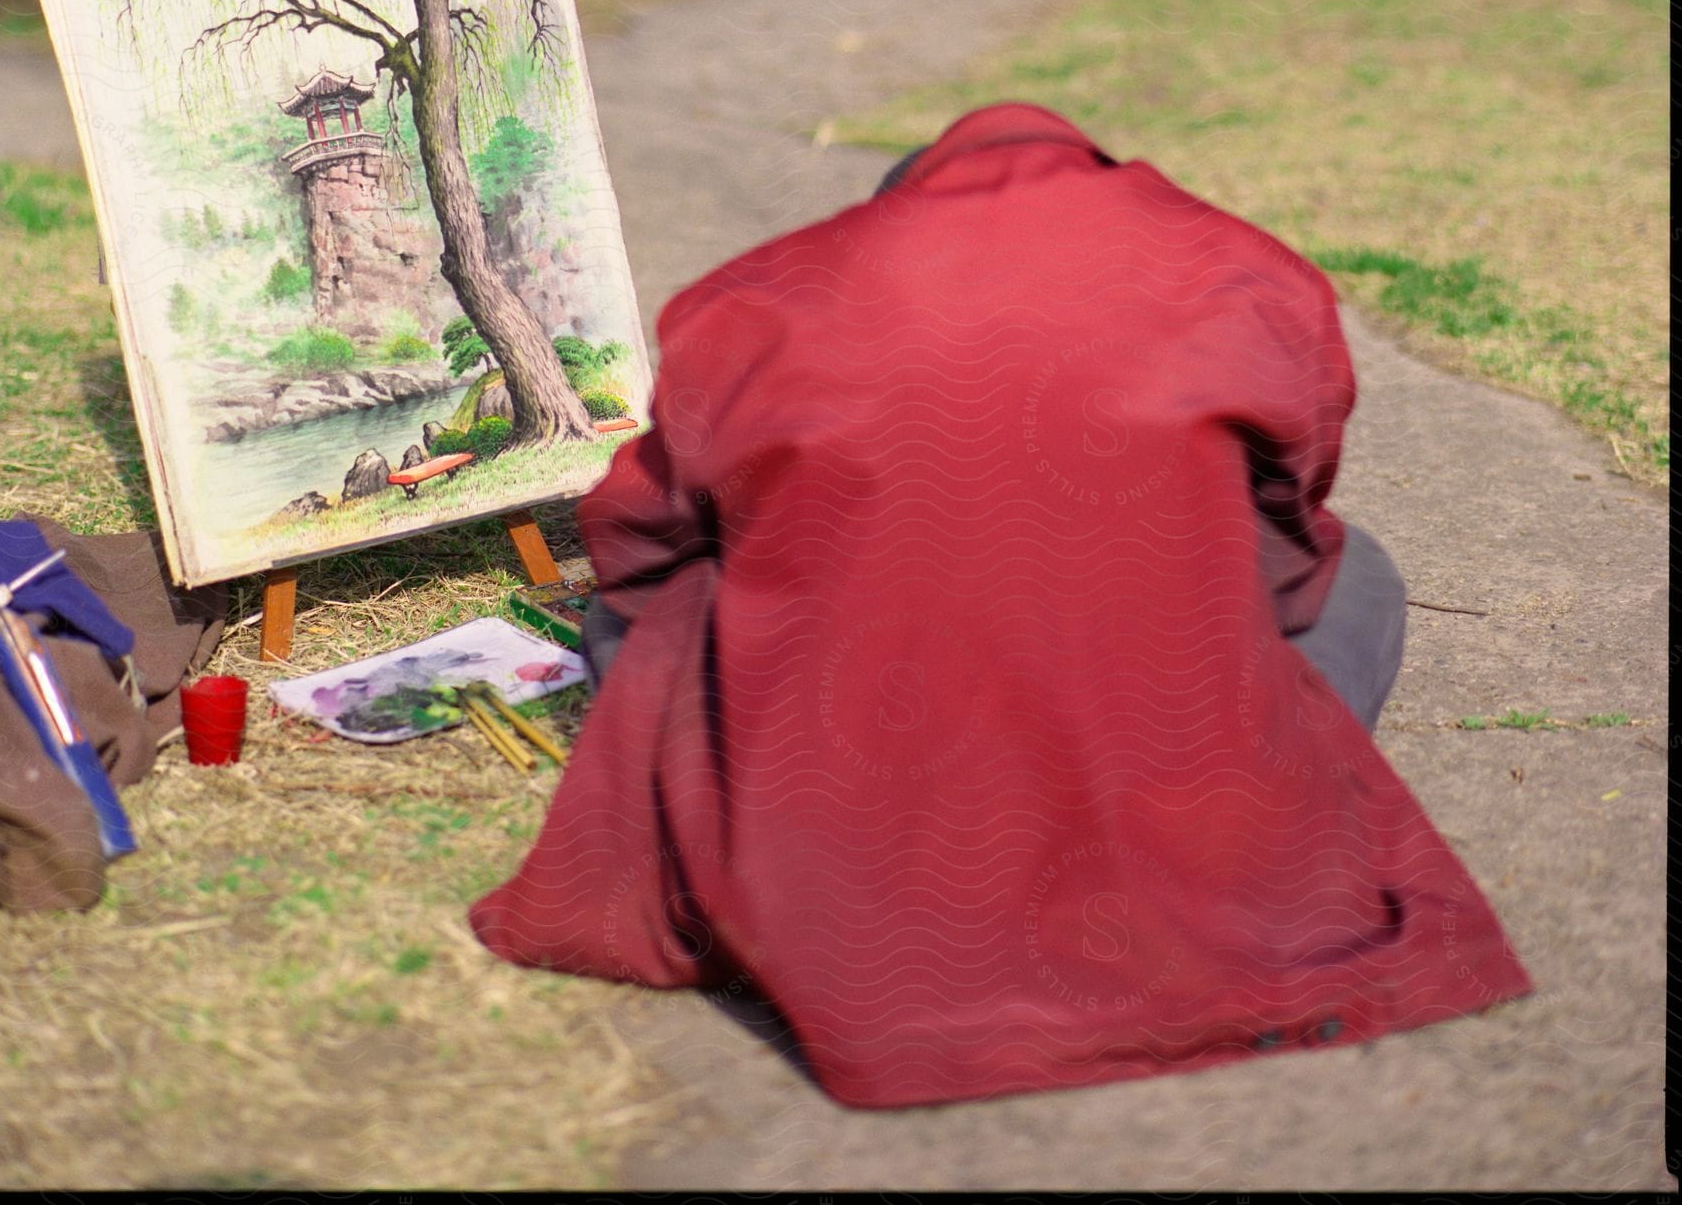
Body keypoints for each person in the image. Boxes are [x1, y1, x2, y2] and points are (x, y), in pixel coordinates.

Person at [471, 101, 1531, 1109]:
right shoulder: (1238, 270)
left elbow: (641, 541)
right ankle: (1247, 809)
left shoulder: (755, 301)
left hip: (852, 776)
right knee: (1368, 575)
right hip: (1164, 759)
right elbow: (1294, 533)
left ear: (891, 221)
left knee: (629, 626)